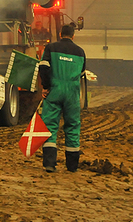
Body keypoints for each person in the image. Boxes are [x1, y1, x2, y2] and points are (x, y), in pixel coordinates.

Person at [38, 23, 86, 173]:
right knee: (72, 127)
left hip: (55, 90)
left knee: (50, 126)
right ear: (73, 36)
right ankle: (72, 166)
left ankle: (50, 164)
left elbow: (44, 67)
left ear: (60, 34)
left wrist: (46, 87)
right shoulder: (80, 52)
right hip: (72, 92)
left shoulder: (51, 48)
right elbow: (82, 72)